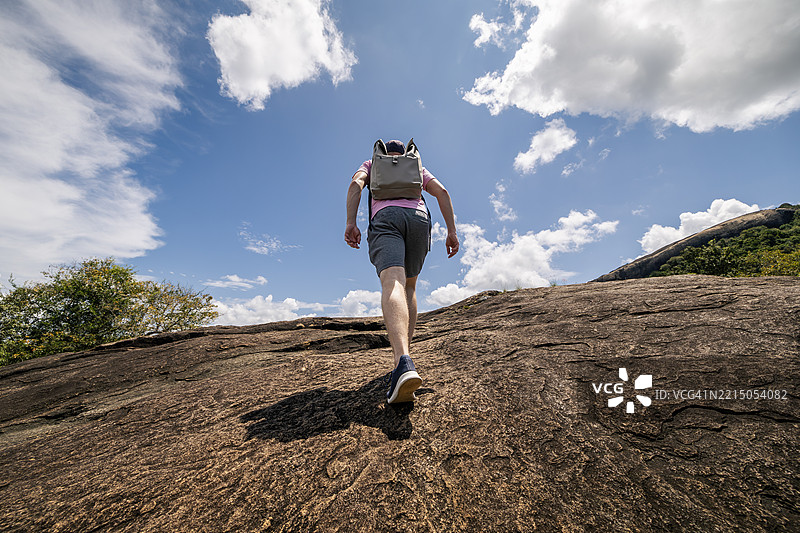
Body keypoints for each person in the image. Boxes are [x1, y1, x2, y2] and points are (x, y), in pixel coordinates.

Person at [345, 139, 459, 404]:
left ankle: (402, 361)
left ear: (384, 153)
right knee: (409, 285)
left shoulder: (371, 164)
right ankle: (405, 359)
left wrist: (351, 223)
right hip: (418, 220)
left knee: (392, 282)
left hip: (386, 218)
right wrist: (452, 232)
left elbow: (355, 185)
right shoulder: (416, 166)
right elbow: (442, 192)